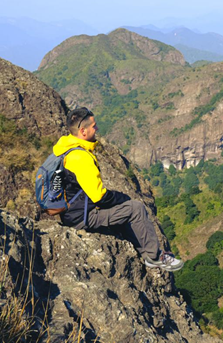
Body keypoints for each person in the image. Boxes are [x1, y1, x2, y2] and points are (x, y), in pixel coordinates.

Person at [52, 107, 184, 272]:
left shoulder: (65, 149)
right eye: (94, 126)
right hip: (82, 217)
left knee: (121, 208)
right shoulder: (81, 157)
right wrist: (123, 198)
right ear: (83, 131)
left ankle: (144, 251)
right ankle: (155, 257)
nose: (97, 129)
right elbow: (99, 197)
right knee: (135, 208)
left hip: (72, 211)